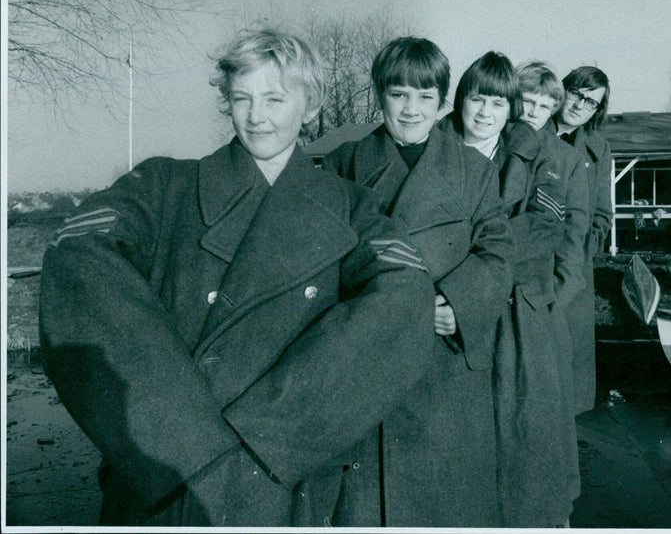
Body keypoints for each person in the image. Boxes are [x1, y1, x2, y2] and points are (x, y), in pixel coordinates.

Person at [38, 27, 438, 527]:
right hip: (168, 475)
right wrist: (180, 430)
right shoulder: (163, 185)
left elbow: (407, 296)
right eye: (242, 98)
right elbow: (78, 257)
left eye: (275, 98)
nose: (257, 115)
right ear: (226, 102)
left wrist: (266, 431)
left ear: (310, 107)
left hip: (278, 475)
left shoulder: (352, 207)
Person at [321, 37, 514, 528]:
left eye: (425, 97)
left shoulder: (474, 170)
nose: (411, 109)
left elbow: (497, 249)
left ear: (442, 102)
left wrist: (457, 301)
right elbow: (323, 263)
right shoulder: (344, 164)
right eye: (398, 93)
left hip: (445, 366)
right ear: (378, 94)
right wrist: (392, 305)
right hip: (366, 362)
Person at [438, 52, 588, 527]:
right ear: (460, 100)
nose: (486, 114)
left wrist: (469, 278)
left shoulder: (536, 153)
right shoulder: (434, 145)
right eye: (477, 101)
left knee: (525, 426)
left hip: (513, 308)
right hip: (440, 309)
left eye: (499, 104)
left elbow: (545, 227)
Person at [553, 66, 613, 415]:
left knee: (567, 367)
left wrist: (578, 254)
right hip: (528, 262)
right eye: (576, 93)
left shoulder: (597, 149)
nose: (579, 105)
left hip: (573, 269)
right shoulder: (527, 130)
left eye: (591, 102)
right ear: (563, 90)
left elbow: (602, 214)